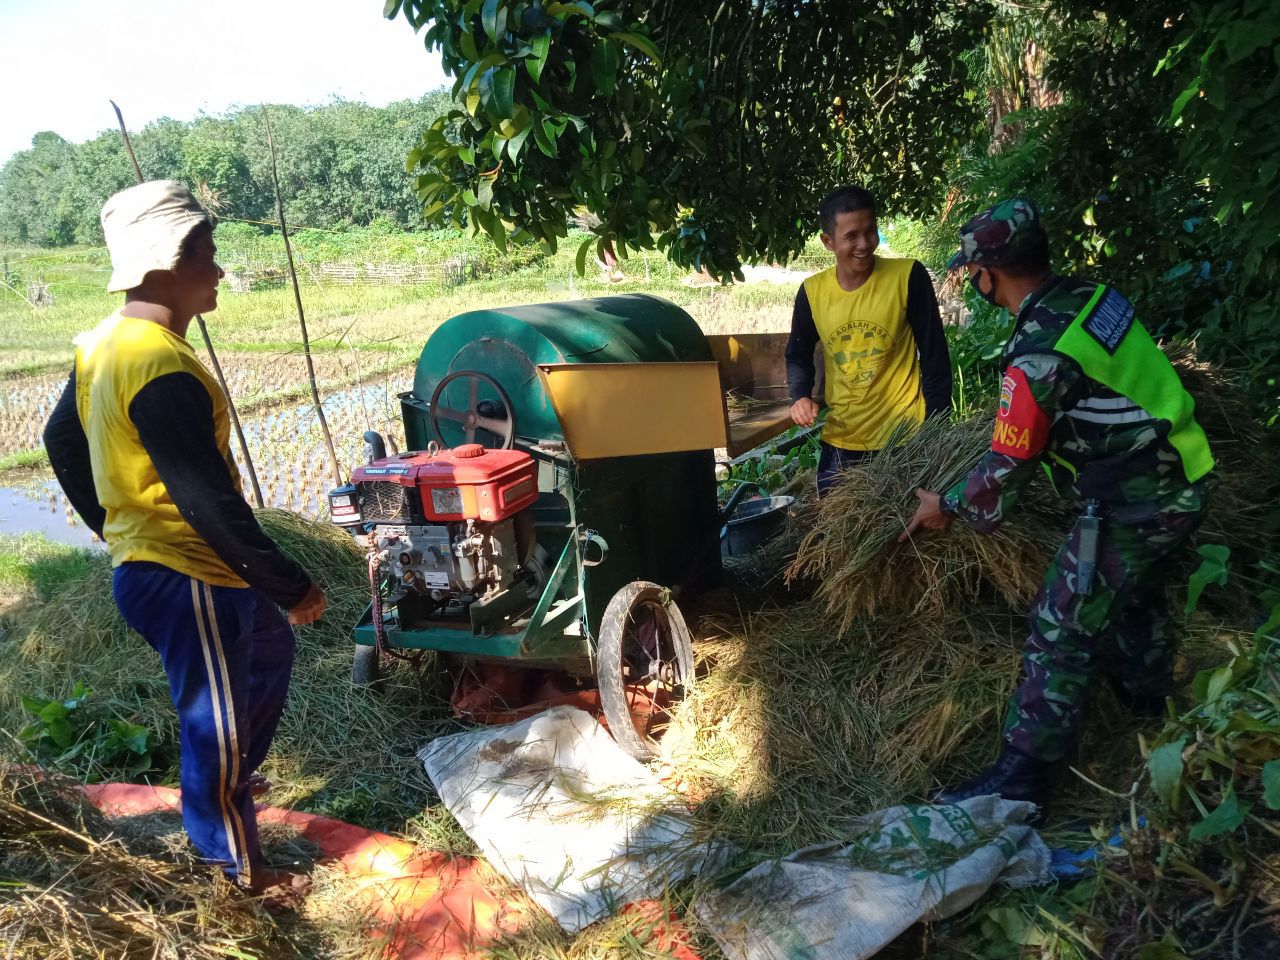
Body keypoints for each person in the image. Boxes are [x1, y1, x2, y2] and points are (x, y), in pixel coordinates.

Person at [43, 181, 327, 896]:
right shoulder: (161, 365)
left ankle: (227, 789)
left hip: (178, 567)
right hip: (186, 572)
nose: (220, 269)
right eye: (208, 252)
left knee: (268, 651)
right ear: (167, 262)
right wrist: (291, 583)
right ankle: (237, 871)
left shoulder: (105, 344)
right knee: (216, 725)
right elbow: (208, 503)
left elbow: (59, 438)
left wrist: (115, 525)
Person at [901, 197, 1214, 813]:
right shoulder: (1093, 296)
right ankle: (1150, 709)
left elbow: (1007, 463)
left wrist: (950, 505)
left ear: (991, 273)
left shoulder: (1040, 354)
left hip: (1137, 501)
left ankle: (1021, 778)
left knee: (1059, 628)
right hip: (1187, 472)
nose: (975, 283)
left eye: (974, 274)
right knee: (1136, 595)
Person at [786, 185, 952, 496]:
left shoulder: (908, 276)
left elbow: (935, 356)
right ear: (828, 242)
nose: (864, 244)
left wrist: (936, 428)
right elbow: (798, 351)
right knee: (837, 534)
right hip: (843, 439)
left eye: (871, 231)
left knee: (910, 535)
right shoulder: (812, 292)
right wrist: (799, 394)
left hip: (906, 438)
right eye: (851, 236)